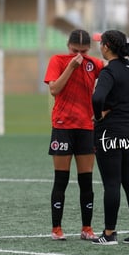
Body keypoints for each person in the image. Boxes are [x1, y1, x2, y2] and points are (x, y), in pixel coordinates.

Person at [44, 29, 104, 241]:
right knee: (61, 179)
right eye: (74, 50)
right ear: (68, 46)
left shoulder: (93, 64)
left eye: (83, 51)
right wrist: (71, 66)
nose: (79, 55)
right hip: (62, 126)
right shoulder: (59, 60)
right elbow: (54, 90)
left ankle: (87, 228)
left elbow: (111, 73)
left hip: (86, 127)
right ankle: (56, 228)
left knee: (86, 181)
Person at [91, 30, 129, 245]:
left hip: (111, 132)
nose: (99, 47)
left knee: (111, 183)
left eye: (100, 43)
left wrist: (99, 115)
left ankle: (109, 234)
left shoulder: (108, 72)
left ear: (106, 47)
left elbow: (97, 98)